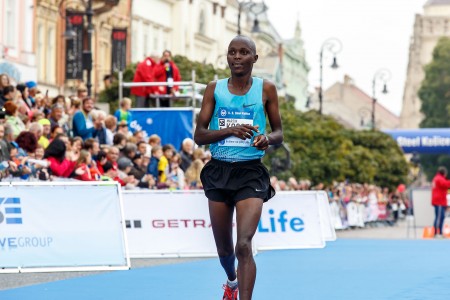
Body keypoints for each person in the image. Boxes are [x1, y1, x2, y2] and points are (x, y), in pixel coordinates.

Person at [194, 35, 283, 300]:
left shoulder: (266, 89)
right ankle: (231, 281)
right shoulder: (214, 89)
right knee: (225, 252)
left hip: (250, 172)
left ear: (254, 59)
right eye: (232, 52)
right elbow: (199, 135)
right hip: (219, 170)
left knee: (243, 244)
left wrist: (266, 139)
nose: (236, 57)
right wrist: (230, 130)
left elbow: (279, 132)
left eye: (244, 52)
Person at [431, 166, 450, 238]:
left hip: (440, 201)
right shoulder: (439, 178)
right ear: (444, 173)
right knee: (439, 217)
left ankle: (440, 232)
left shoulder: (437, 178)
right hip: (439, 201)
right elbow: (446, 184)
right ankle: (436, 233)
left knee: (441, 217)